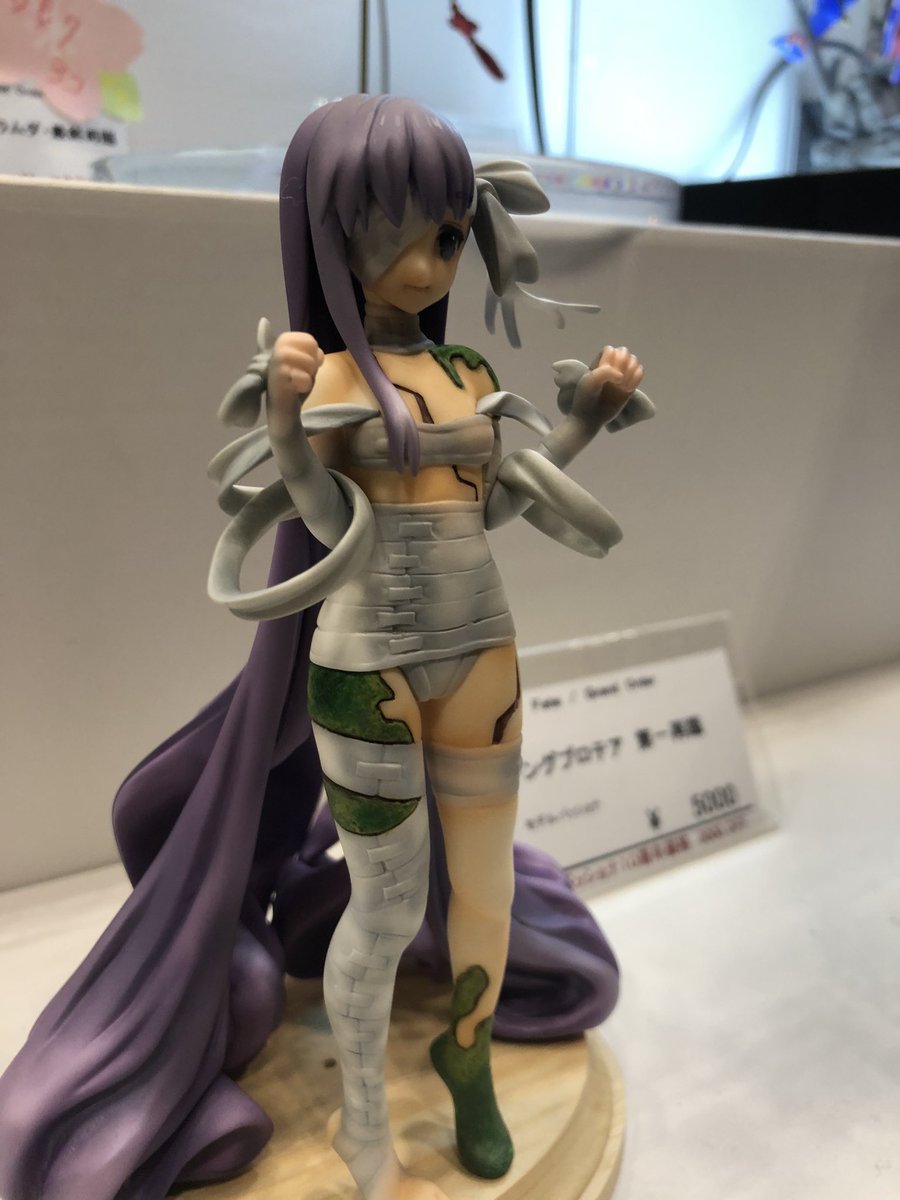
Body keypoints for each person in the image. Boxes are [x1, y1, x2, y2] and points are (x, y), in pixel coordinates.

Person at [0, 95, 649, 1200]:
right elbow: (316, 515)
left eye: (448, 233)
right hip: (365, 667)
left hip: (482, 649)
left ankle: (469, 1063)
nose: (426, 262)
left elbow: (493, 509)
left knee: (483, 890)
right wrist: (289, 424)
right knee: (386, 906)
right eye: (391, 231)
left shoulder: (470, 375)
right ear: (329, 232)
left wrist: (584, 415)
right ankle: (363, 1116)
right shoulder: (328, 378)